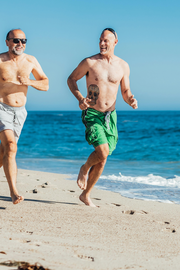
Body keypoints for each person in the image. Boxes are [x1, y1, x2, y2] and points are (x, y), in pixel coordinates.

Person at [0, 29, 49, 204]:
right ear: (7, 42)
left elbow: (45, 84)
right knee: (11, 146)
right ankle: (14, 192)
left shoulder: (31, 60)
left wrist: (30, 82)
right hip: (0, 108)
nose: (20, 44)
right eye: (16, 40)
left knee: (5, 150)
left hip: (20, 112)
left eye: (24, 41)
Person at [67, 28, 138, 207]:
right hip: (92, 113)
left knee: (103, 157)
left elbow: (125, 90)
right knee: (103, 152)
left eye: (106, 40)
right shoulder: (90, 62)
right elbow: (71, 79)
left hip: (110, 117)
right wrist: (80, 99)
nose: (102, 43)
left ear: (115, 42)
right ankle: (84, 168)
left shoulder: (123, 65)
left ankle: (86, 194)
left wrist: (130, 99)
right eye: (100, 40)